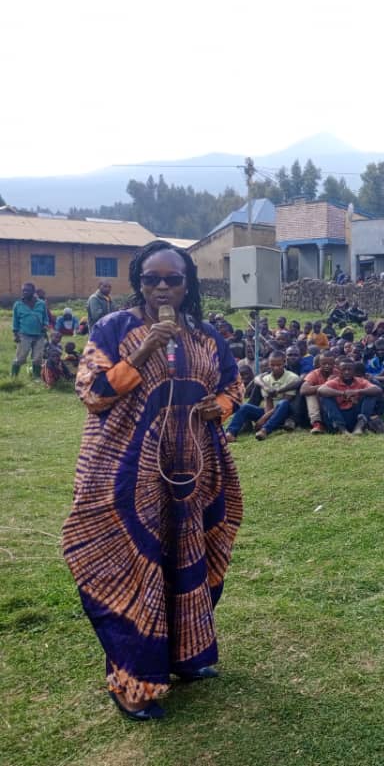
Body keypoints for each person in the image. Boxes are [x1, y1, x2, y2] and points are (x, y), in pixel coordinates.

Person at [61, 241, 243, 720]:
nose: (162, 288)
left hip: (192, 470)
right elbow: (94, 393)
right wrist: (143, 351)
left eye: (173, 279)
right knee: (133, 565)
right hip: (124, 472)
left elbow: (232, 385)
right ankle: (132, 680)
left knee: (188, 559)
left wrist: (219, 407)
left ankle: (186, 657)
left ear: (188, 284)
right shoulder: (113, 329)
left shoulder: (206, 334)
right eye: (152, 279)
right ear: (138, 282)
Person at [12, 281, 48, 379]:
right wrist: (15, 334)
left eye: (27, 290)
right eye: (23, 290)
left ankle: (36, 377)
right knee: (21, 357)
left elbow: (45, 318)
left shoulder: (41, 304)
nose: (24, 292)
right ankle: (13, 378)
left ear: (33, 291)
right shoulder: (18, 305)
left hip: (39, 335)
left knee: (38, 358)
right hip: (24, 335)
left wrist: (45, 326)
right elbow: (15, 321)